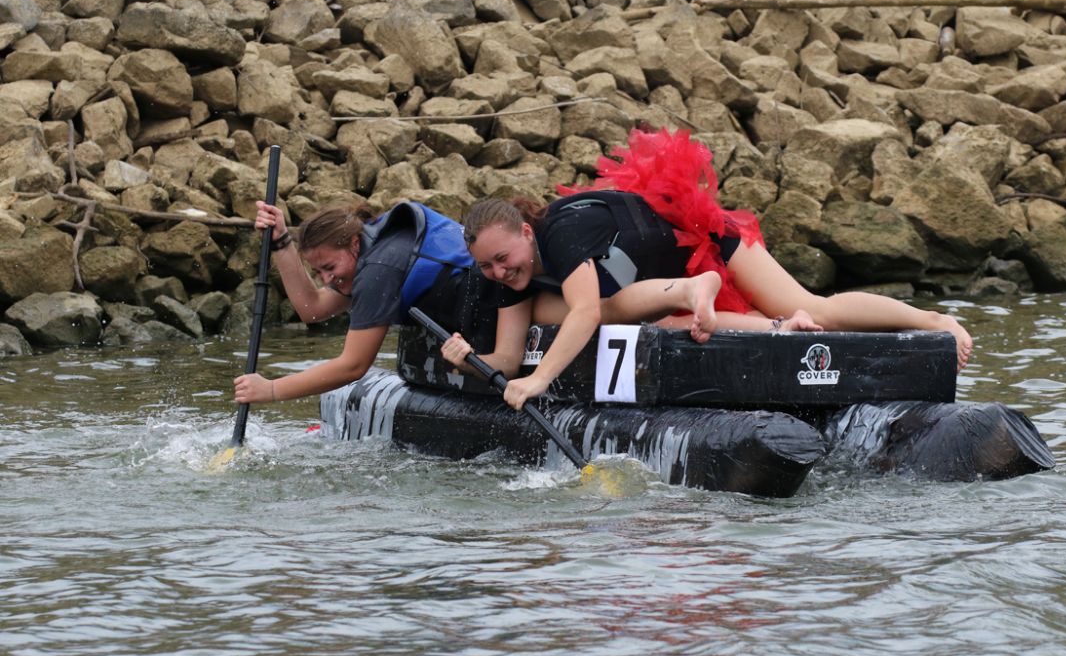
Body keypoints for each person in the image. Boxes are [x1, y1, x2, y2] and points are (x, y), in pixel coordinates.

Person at [441, 128, 973, 412]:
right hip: (670, 282)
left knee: (819, 309)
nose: (497, 272)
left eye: (503, 259)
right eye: (485, 266)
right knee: (668, 324)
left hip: (704, 236)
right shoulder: (508, 278)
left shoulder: (561, 232)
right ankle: (779, 331)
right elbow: (506, 358)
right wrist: (468, 360)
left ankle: (934, 322)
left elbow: (584, 313)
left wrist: (540, 381)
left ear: (527, 233)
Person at [232, 198, 501, 405]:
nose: (326, 279)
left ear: (353, 243)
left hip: (498, 314)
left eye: (330, 267)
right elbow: (312, 309)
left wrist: (272, 389)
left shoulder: (379, 268)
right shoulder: (373, 245)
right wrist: (281, 242)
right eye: (318, 272)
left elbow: (354, 366)